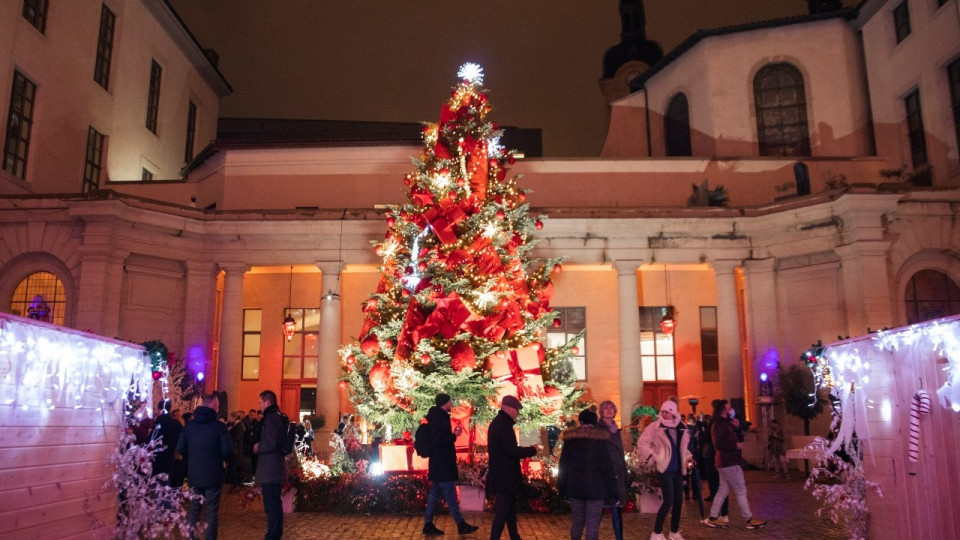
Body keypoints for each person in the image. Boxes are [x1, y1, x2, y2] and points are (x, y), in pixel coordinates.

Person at [176, 393, 233, 540]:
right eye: (218, 405)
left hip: (194, 474)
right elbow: (227, 451)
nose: (219, 408)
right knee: (211, 512)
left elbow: (180, 448)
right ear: (214, 406)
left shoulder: (189, 426)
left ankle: (192, 537)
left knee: (194, 510)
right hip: (213, 475)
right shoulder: (219, 427)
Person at [422, 393, 480, 536]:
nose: (451, 404)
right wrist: (454, 435)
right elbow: (439, 440)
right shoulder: (439, 418)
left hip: (438, 463)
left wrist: (452, 434)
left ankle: (428, 524)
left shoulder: (436, 416)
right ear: (445, 403)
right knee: (450, 494)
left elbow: (438, 439)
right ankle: (461, 524)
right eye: (449, 402)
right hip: (443, 464)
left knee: (435, 494)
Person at [704, 400, 767, 530]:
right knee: (740, 490)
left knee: (723, 490)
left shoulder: (725, 423)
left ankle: (713, 517)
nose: (731, 409)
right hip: (728, 462)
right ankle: (748, 519)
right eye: (729, 408)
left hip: (726, 462)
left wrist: (737, 428)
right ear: (723, 410)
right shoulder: (719, 424)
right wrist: (735, 446)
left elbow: (737, 438)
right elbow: (719, 444)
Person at [636, 400, 692, 540]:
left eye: (667, 411)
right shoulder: (655, 427)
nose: (664, 414)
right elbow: (643, 442)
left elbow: (683, 448)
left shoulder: (681, 427)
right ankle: (657, 532)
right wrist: (654, 457)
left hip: (678, 468)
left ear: (673, 412)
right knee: (668, 500)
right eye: (663, 411)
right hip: (664, 468)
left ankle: (674, 531)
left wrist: (689, 458)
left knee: (678, 500)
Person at [558, 409, 616, 540]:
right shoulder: (600, 441)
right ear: (594, 423)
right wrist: (613, 490)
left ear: (580, 421)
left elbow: (563, 465)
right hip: (596, 488)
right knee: (592, 525)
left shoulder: (570, 440)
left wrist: (562, 487)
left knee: (577, 522)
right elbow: (607, 467)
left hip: (575, 487)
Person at [487, 395, 538, 540]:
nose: (517, 413)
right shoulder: (503, 425)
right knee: (503, 510)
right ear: (508, 408)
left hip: (503, 474)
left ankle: (515, 536)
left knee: (509, 508)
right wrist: (532, 450)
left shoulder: (500, 423)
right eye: (516, 409)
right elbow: (512, 451)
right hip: (505, 475)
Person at [255, 390, 286, 540]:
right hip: (275, 467)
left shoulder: (271, 418)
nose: (259, 405)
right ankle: (275, 533)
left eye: (260, 402)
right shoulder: (278, 416)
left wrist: (257, 447)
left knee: (272, 505)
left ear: (267, 402)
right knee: (275, 502)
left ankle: (273, 535)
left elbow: (270, 443)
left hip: (270, 468)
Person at [597, 400, 629, 540]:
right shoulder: (598, 429)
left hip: (618, 473)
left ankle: (619, 537)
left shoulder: (617, 430)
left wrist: (624, 473)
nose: (609, 410)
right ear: (602, 412)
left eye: (611, 408)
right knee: (599, 510)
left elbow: (621, 453)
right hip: (605, 474)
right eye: (606, 408)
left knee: (618, 510)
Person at [151, 399, 182, 485]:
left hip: (158, 461)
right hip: (171, 460)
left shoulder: (158, 423)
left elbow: (150, 441)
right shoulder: (176, 424)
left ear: (159, 409)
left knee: (159, 491)